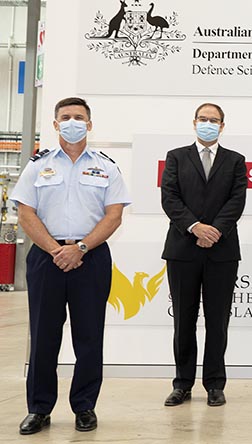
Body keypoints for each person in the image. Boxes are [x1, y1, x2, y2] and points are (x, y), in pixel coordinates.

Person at [11, 97, 131, 434]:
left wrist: (79, 248)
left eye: (79, 117)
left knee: (89, 336)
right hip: (46, 258)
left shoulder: (106, 166)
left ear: (89, 125)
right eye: (66, 117)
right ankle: (39, 408)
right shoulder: (38, 165)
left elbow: (114, 214)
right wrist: (55, 250)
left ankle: (84, 407)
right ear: (55, 124)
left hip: (90, 257)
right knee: (44, 337)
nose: (72, 122)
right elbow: (25, 213)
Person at [160, 103, 247, 408]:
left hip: (222, 252)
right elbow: (169, 198)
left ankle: (214, 384)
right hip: (183, 249)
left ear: (222, 126)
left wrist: (215, 231)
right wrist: (195, 227)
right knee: (183, 320)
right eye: (203, 119)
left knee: (217, 320)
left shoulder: (235, 161)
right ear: (194, 122)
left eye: (214, 120)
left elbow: (237, 201)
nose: (208, 124)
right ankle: (182, 383)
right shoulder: (176, 157)